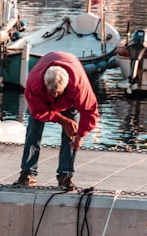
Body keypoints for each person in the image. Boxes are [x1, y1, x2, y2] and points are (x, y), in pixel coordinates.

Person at [14, 51, 99, 191]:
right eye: (51, 92)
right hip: (42, 100)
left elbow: (90, 111)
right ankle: (27, 173)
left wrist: (81, 134)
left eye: (58, 92)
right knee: (33, 131)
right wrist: (61, 120)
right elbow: (37, 111)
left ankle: (65, 176)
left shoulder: (78, 84)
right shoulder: (34, 82)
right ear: (45, 83)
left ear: (66, 86)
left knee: (71, 136)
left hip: (69, 100)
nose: (55, 95)